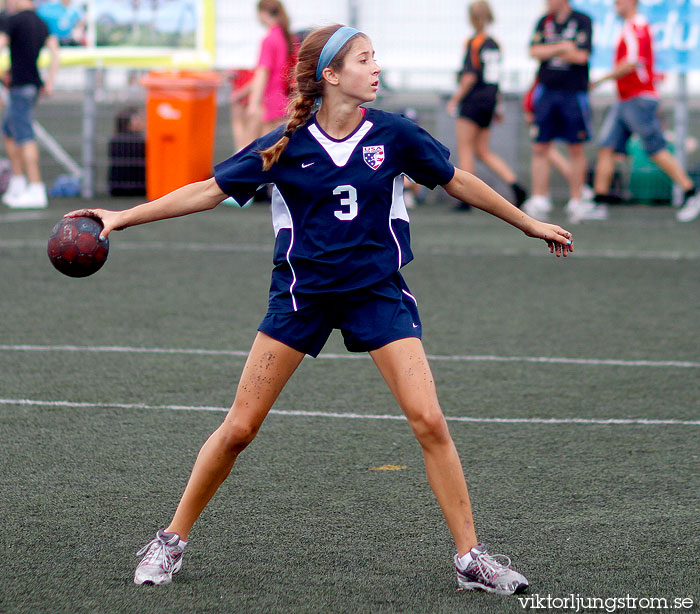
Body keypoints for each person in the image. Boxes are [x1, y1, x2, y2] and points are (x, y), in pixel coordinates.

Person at [66, 24, 573, 596]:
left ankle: (471, 557)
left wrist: (528, 223)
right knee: (239, 429)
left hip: (376, 293)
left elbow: (458, 181)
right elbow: (208, 190)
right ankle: (170, 540)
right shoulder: (285, 143)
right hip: (301, 297)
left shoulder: (396, 135)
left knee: (430, 420)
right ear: (330, 75)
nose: (376, 68)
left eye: (375, 57)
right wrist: (120, 218)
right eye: (364, 59)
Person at [590, 0, 700, 222]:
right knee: (607, 147)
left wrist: (599, 80)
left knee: (655, 149)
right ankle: (598, 202)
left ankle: (691, 193)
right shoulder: (631, 26)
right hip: (626, 99)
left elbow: (631, 63)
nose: (615, 5)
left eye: (619, 1)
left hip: (637, 98)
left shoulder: (636, 26)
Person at [522, 0, 605, 223]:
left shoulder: (582, 21)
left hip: (573, 93)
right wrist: (561, 48)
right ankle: (540, 198)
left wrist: (550, 52)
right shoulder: (543, 22)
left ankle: (577, 200)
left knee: (575, 147)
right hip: (546, 92)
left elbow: (581, 56)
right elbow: (534, 51)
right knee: (540, 146)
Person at [447, 0, 527, 212]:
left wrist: (455, 99)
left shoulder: (474, 42)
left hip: (473, 100)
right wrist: (497, 104)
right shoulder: (495, 43)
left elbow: (470, 77)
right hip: (489, 100)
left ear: (472, 18)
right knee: (482, 150)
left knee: (465, 148)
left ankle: (466, 198)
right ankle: (516, 186)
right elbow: (496, 78)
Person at [0, 0, 59, 209]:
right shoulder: (42, 22)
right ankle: (18, 182)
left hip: (20, 87)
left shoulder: (13, 20)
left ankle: (36, 188)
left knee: (24, 136)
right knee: (8, 131)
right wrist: (50, 82)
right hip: (33, 86)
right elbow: (55, 53)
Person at [239, 0, 297, 149]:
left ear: (263, 14)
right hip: (288, 101)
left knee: (269, 151)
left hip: (273, 103)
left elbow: (263, 73)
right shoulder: (289, 38)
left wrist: (253, 103)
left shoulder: (269, 39)